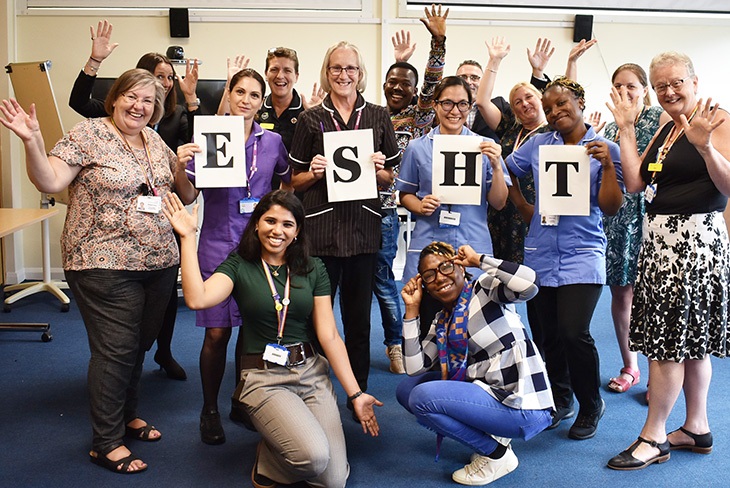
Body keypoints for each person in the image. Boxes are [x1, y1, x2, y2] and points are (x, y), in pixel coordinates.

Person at [1, 69, 180, 474]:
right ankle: (106, 441)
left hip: (159, 261)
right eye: (131, 97)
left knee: (139, 345)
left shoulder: (154, 140)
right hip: (101, 262)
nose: (139, 106)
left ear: (156, 108)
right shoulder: (89, 134)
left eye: (148, 101)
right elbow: (49, 179)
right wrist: (31, 140)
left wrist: (186, 165)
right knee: (115, 349)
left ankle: (127, 415)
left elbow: (180, 192)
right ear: (114, 99)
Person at [163, 189, 383, 487]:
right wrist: (188, 239)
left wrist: (356, 394)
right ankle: (268, 461)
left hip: (311, 374)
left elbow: (329, 335)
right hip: (263, 377)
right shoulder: (240, 264)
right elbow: (197, 298)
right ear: (256, 223)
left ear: (297, 231)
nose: (277, 230)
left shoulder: (313, 268)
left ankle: (287, 446)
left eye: (287, 224)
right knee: (314, 458)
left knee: (333, 481)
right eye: (270, 221)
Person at [606, 52, 730, 470]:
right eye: (660, 86)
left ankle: (654, 436)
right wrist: (625, 128)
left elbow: (729, 185)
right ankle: (697, 427)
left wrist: (707, 147)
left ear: (695, 80)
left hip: (694, 246)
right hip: (661, 244)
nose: (668, 91)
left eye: (676, 82)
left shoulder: (717, 119)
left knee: (667, 347)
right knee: (690, 344)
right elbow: (637, 182)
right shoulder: (665, 127)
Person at [69, 20, 201, 381]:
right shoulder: (106, 120)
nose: (163, 83)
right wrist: (93, 62)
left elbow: (198, 149)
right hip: (113, 239)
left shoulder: (171, 118)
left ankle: (164, 351)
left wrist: (192, 101)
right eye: (157, 75)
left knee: (161, 298)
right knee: (121, 335)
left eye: (168, 78)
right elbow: (78, 101)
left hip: (164, 215)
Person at [175, 68, 291, 445]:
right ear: (229, 94)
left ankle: (242, 399)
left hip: (258, 249)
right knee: (218, 331)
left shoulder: (272, 141)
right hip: (216, 245)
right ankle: (209, 409)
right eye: (239, 92)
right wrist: (180, 166)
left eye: (255, 95)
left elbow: (284, 184)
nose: (246, 100)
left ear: (262, 101)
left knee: (252, 330)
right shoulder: (208, 136)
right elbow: (189, 195)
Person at [505, 77, 623, 440]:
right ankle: (560, 397)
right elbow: (506, 169)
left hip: (583, 252)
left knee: (574, 332)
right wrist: (524, 206)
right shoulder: (539, 143)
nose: (555, 112)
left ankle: (591, 404)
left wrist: (605, 167)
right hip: (541, 251)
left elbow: (612, 207)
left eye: (562, 104)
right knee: (549, 334)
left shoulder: (606, 147)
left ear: (580, 101)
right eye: (550, 106)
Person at [288, 41, 401, 399]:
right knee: (315, 317)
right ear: (327, 72)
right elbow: (294, 180)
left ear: (361, 73)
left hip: (363, 230)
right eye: (336, 68)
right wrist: (314, 173)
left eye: (350, 68)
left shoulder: (378, 115)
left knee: (358, 320)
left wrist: (383, 171)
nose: (343, 75)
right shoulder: (310, 119)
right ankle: (315, 389)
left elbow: (389, 178)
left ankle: (359, 390)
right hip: (321, 232)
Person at [397, 242, 553, 486]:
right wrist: (411, 310)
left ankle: (496, 455)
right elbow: (414, 367)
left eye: (446, 267)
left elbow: (531, 284)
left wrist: (480, 260)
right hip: (490, 393)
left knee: (422, 397)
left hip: (524, 404)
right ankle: (493, 436)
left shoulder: (484, 290)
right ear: (425, 286)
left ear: (461, 268)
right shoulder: (442, 321)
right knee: (407, 391)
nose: (439, 277)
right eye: (430, 275)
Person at [395, 75, 509, 338]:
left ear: (470, 108)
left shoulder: (484, 146)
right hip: (429, 242)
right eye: (447, 103)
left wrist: (495, 166)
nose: (454, 111)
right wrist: (420, 205)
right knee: (427, 321)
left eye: (462, 104)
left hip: (472, 243)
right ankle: (430, 378)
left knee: (475, 324)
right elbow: (404, 195)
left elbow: (499, 202)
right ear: (435, 105)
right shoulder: (417, 147)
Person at [378, 3, 448, 374]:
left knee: (391, 279)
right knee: (378, 278)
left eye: (405, 83)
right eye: (392, 81)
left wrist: (437, 42)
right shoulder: (372, 115)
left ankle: (399, 344)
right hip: (369, 207)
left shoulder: (420, 115)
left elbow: (434, 84)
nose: (397, 87)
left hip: (405, 207)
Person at [602, 64, 669, 394]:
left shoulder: (660, 118)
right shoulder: (610, 124)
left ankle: (661, 371)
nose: (624, 92)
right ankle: (631, 365)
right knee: (622, 294)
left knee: (655, 294)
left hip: (653, 216)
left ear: (644, 89)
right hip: (618, 220)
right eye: (618, 86)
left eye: (630, 86)